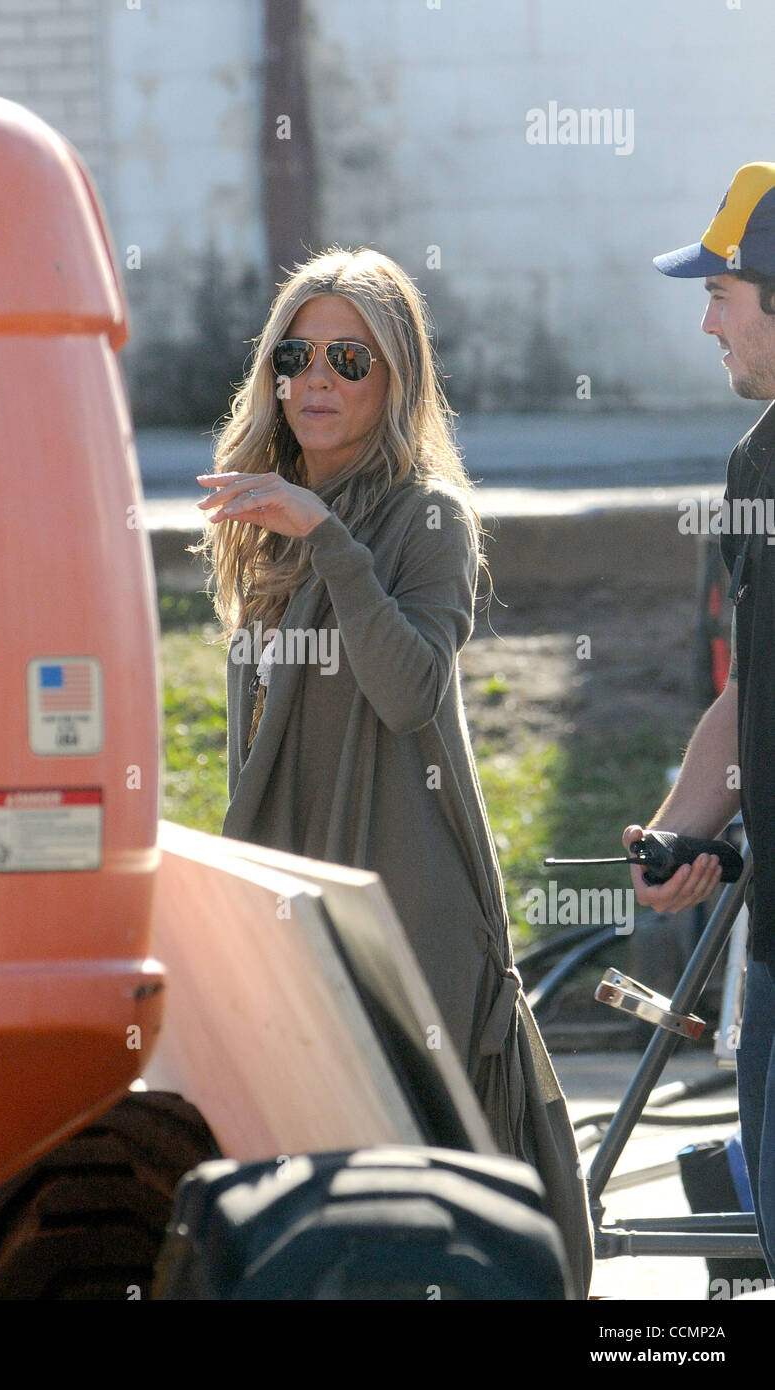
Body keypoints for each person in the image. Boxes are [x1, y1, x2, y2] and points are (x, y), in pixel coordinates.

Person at [194, 246, 591, 1296]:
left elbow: (409, 689)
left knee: (427, 1207)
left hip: (407, 916)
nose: (315, 378)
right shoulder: (262, 516)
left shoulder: (427, 518)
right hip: (298, 902)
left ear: (396, 380)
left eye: (348, 359)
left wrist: (328, 539)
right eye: (296, 353)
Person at [622, 162, 775, 1276]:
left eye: (721, 293)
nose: (704, 321)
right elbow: (748, 686)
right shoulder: (754, 463)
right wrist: (684, 827)